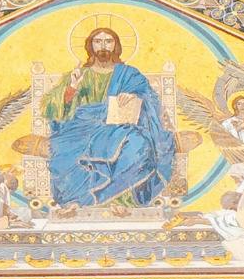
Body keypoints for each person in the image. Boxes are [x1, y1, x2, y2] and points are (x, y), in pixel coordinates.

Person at [36, 24, 181, 207]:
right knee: (63, 150)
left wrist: (135, 96)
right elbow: (51, 109)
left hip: (119, 128)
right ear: (90, 46)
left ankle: (119, 199)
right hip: (81, 128)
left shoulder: (129, 74)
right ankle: (78, 200)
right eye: (98, 41)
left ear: (116, 45)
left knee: (139, 143)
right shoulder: (79, 74)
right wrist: (71, 89)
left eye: (108, 41)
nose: (103, 46)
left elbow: (151, 101)